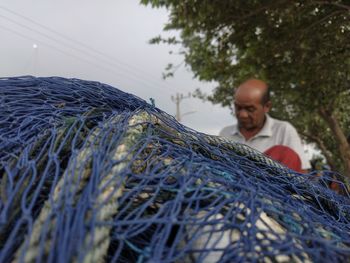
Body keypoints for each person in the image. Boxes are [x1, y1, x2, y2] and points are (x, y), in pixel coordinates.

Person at [219, 78, 310, 172]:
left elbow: (301, 175)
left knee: (285, 153)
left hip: (274, 186)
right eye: (238, 107)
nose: (243, 115)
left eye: (250, 109)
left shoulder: (283, 131)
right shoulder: (225, 134)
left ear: (267, 106)